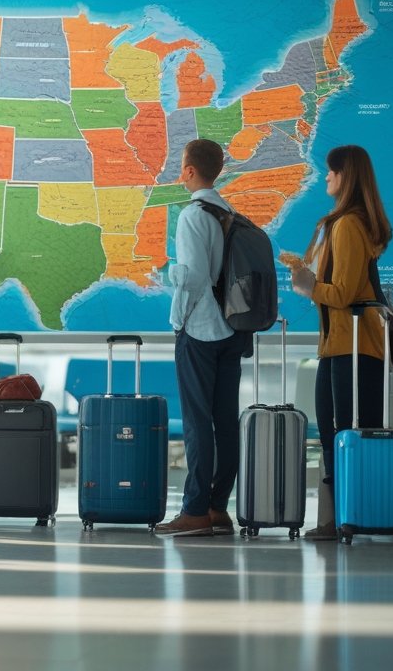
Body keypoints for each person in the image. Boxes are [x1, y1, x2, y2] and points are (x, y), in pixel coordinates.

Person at [283, 144, 392, 542]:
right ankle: (348, 515)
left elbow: (343, 293)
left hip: (348, 346)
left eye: (331, 172)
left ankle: (340, 518)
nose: (326, 177)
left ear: (345, 176)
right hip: (348, 346)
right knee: (343, 433)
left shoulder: (346, 225)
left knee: (339, 434)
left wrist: (309, 287)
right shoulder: (355, 223)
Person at [155, 138, 251, 537]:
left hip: (201, 330)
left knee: (198, 423)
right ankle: (217, 507)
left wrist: (176, 310)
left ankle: (194, 510)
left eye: (181, 166)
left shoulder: (194, 215)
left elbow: (193, 277)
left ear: (191, 170)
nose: (180, 172)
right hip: (233, 329)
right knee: (225, 423)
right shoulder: (229, 212)